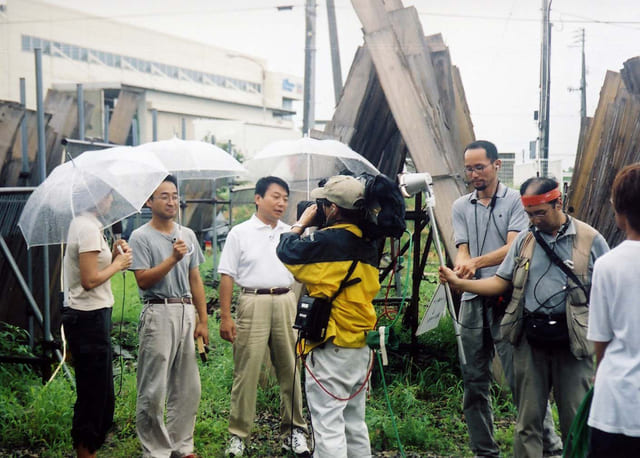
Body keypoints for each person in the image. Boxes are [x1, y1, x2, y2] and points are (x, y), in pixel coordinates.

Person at [439, 176, 609, 457]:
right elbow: (499, 282)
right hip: (531, 341)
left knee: (575, 419)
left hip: (573, 342)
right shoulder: (525, 241)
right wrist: (461, 284)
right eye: (529, 214)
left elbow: (607, 293)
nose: (534, 220)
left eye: (540, 213)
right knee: (527, 422)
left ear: (559, 203)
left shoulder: (590, 240)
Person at [451, 140, 562, 457]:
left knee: (523, 382)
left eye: (480, 167)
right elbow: (463, 246)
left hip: (509, 301)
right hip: (473, 302)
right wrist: (463, 263)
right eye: (469, 168)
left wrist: (474, 263)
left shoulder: (516, 201)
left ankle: (550, 447)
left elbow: (512, 250)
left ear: (496, 165)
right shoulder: (461, 206)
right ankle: (484, 450)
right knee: (473, 380)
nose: (474, 174)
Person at [276, 175, 380, 458]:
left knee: (328, 426)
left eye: (322, 204)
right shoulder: (369, 242)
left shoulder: (329, 242)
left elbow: (286, 251)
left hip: (333, 346)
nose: (318, 208)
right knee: (354, 424)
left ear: (333, 208)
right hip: (360, 347)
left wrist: (301, 223)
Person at [218, 176, 309, 457]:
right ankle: (238, 435)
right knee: (246, 372)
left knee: (291, 368)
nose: (281, 203)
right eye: (275, 196)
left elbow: (305, 271)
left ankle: (294, 431)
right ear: (258, 198)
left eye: (285, 198)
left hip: (286, 300)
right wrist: (225, 316)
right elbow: (227, 275)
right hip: (252, 301)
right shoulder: (240, 233)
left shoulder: (291, 233)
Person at [128, 175, 209, 458]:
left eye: (174, 195)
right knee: (153, 388)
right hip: (158, 311)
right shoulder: (140, 237)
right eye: (164, 196)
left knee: (188, 387)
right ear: (149, 201)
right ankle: (156, 451)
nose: (172, 201)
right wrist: (172, 259)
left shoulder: (187, 234)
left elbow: (195, 278)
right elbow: (143, 281)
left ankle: (181, 446)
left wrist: (203, 320)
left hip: (186, 310)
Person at [62, 191, 132, 458]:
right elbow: (90, 280)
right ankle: (85, 452)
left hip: (92, 316)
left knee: (99, 393)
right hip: (88, 319)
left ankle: (88, 450)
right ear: (95, 197)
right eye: (108, 195)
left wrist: (113, 254)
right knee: (94, 395)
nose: (111, 200)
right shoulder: (87, 227)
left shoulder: (88, 225)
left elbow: (91, 270)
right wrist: (118, 263)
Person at [587, 163, 640, 456]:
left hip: (615, 407)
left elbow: (601, 340)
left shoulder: (608, 264)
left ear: (619, 214)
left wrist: (599, 372)